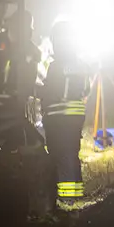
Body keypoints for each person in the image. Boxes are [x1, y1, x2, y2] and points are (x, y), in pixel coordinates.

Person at [40, 19, 92, 204]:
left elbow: (49, 91)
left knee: (61, 155)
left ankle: (67, 200)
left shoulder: (55, 66)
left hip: (58, 116)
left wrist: (37, 92)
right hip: (76, 115)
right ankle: (75, 196)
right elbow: (86, 90)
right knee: (71, 153)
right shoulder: (82, 64)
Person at [0, 10, 42, 122]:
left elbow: (29, 79)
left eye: (29, 29)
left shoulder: (31, 51)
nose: (30, 32)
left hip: (19, 105)